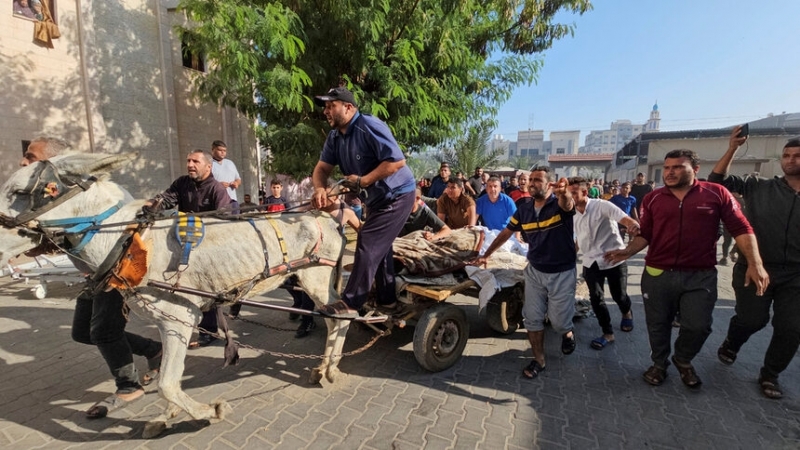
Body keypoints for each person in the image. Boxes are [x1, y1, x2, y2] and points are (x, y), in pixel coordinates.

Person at [21, 136, 162, 419]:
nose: (23, 162)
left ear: (54, 163)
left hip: (116, 271)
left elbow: (124, 227)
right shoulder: (59, 194)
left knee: (103, 332)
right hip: (92, 274)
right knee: (83, 332)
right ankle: (153, 349)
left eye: (31, 157)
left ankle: (129, 385)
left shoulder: (97, 190)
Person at [605, 149, 768, 389]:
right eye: (668, 167)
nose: (670, 172)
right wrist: (627, 252)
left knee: (699, 325)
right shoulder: (653, 198)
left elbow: (741, 228)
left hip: (700, 275)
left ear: (696, 170)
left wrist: (755, 263)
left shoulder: (716, 193)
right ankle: (659, 364)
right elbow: (646, 234)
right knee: (657, 324)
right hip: (657, 274)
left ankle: (682, 358)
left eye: (678, 167)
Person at [709, 129, 800, 399]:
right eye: (786, 155)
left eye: (797, 156)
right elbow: (717, 181)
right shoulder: (760, 186)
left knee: (792, 328)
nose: (790, 160)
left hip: (796, 275)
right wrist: (733, 148)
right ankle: (731, 343)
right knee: (752, 319)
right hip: (754, 266)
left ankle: (770, 374)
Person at [310, 86, 416, 318]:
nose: (326, 112)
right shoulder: (335, 137)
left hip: (398, 194)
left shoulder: (369, 126)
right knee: (381, 247)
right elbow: (321, 169)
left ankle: (351, 302)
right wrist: (319, 188)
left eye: (331, 106)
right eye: (325, 107)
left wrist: (364, 180)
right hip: (377, 199)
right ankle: (388, 300)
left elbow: (397, 161)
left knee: (367, 241)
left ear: (348, 107)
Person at [470, 166, 576, 380]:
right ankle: (539, 360)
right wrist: (486, 255)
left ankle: (567, 332)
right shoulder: (524, 209)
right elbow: (505, 233)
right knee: (532, 319)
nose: (532, 183)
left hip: (561, 272)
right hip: (535, 270)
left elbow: (568, 204)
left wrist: (565, 193)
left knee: (557, 321)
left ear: (549, 184)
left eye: (537, 179)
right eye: (531, 179)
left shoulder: (559, 206)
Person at [144, 149, 232, 347]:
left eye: (195, 161)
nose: (190, 165)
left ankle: (208, 332)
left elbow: (224, 220)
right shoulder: (182, 182)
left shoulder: (217, 189)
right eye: (188, 160)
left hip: (208, 247)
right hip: (185, 243)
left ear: (208, 167)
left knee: (206, 289)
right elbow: (166, 199)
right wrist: (151, 204)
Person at [568, 177, 638, 350]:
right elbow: (578, 237)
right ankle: (607, 333)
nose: (570, 196)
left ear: (585, 192)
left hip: (614, 259)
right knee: (596, 298)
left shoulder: (602, 205)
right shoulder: (571, 213)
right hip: (591, 262)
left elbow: (625, 219)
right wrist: (570, 255)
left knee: (619, 296)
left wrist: (632, 226)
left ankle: (626, 312)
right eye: (569, 193)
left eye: (574, 193)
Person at [210, 140, 241, 210]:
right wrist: (218, 185)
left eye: (224, 150)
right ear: (213, 150)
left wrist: (236, 183)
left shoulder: (230, 163)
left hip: (232, 201)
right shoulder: (208, 164)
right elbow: (204, 183)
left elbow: (238, 179)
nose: (223, 152)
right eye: (220, 150)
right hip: (216, 202)